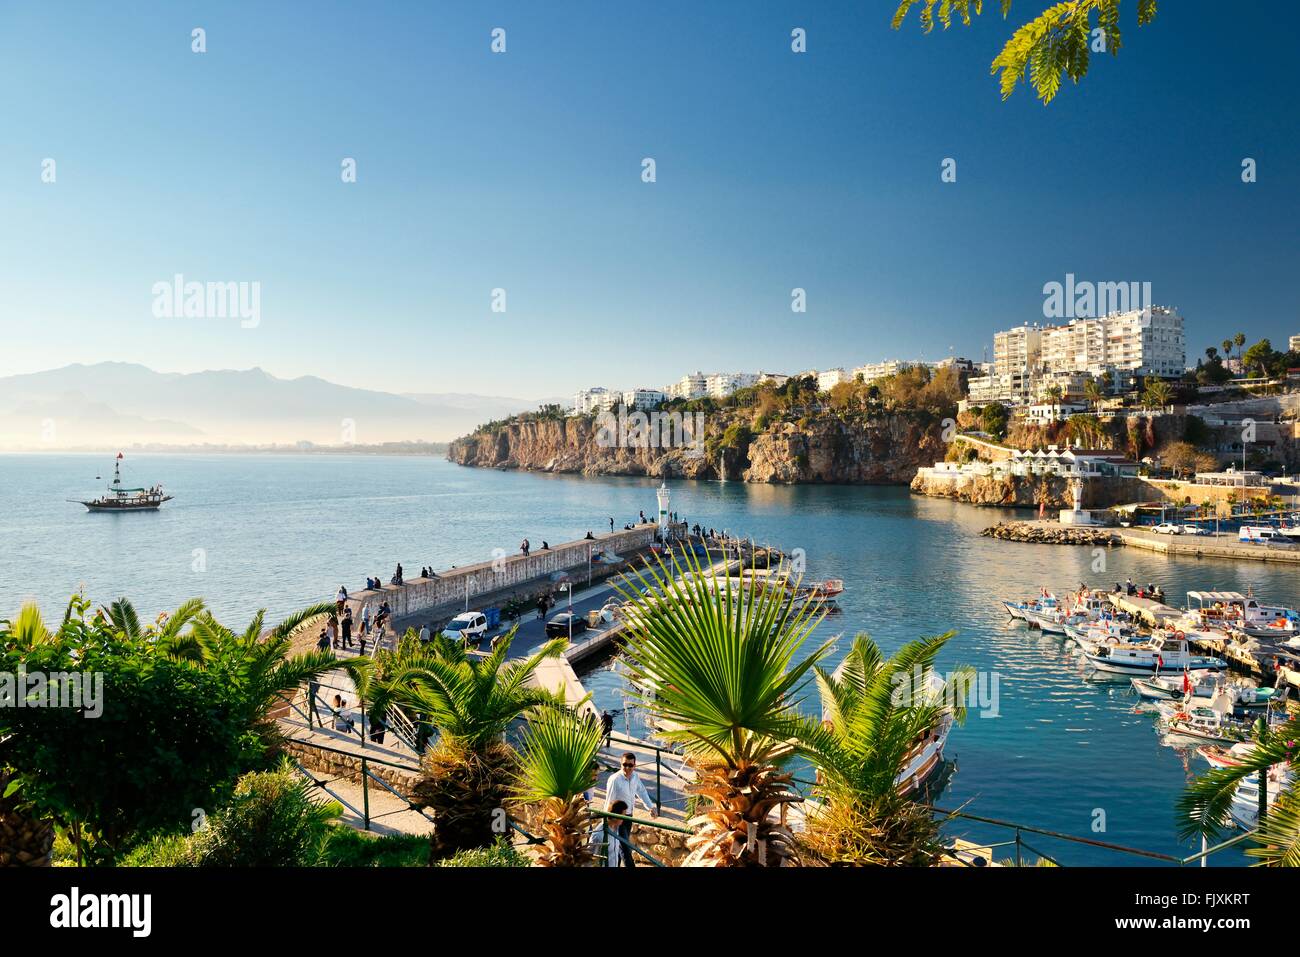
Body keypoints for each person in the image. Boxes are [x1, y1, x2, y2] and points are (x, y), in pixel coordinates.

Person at [604, 753, 654, 867]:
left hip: (628, 817)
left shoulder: (635, 776)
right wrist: (608, 821)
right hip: (617, 819)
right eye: (624, 764)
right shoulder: (615, 779)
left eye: (630, 765)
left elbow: (641, 791)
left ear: (634, 766)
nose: (627, 768)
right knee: (625, 848)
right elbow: (609, 800)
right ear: (620, 764)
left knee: (618, 847)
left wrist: (650, 807)